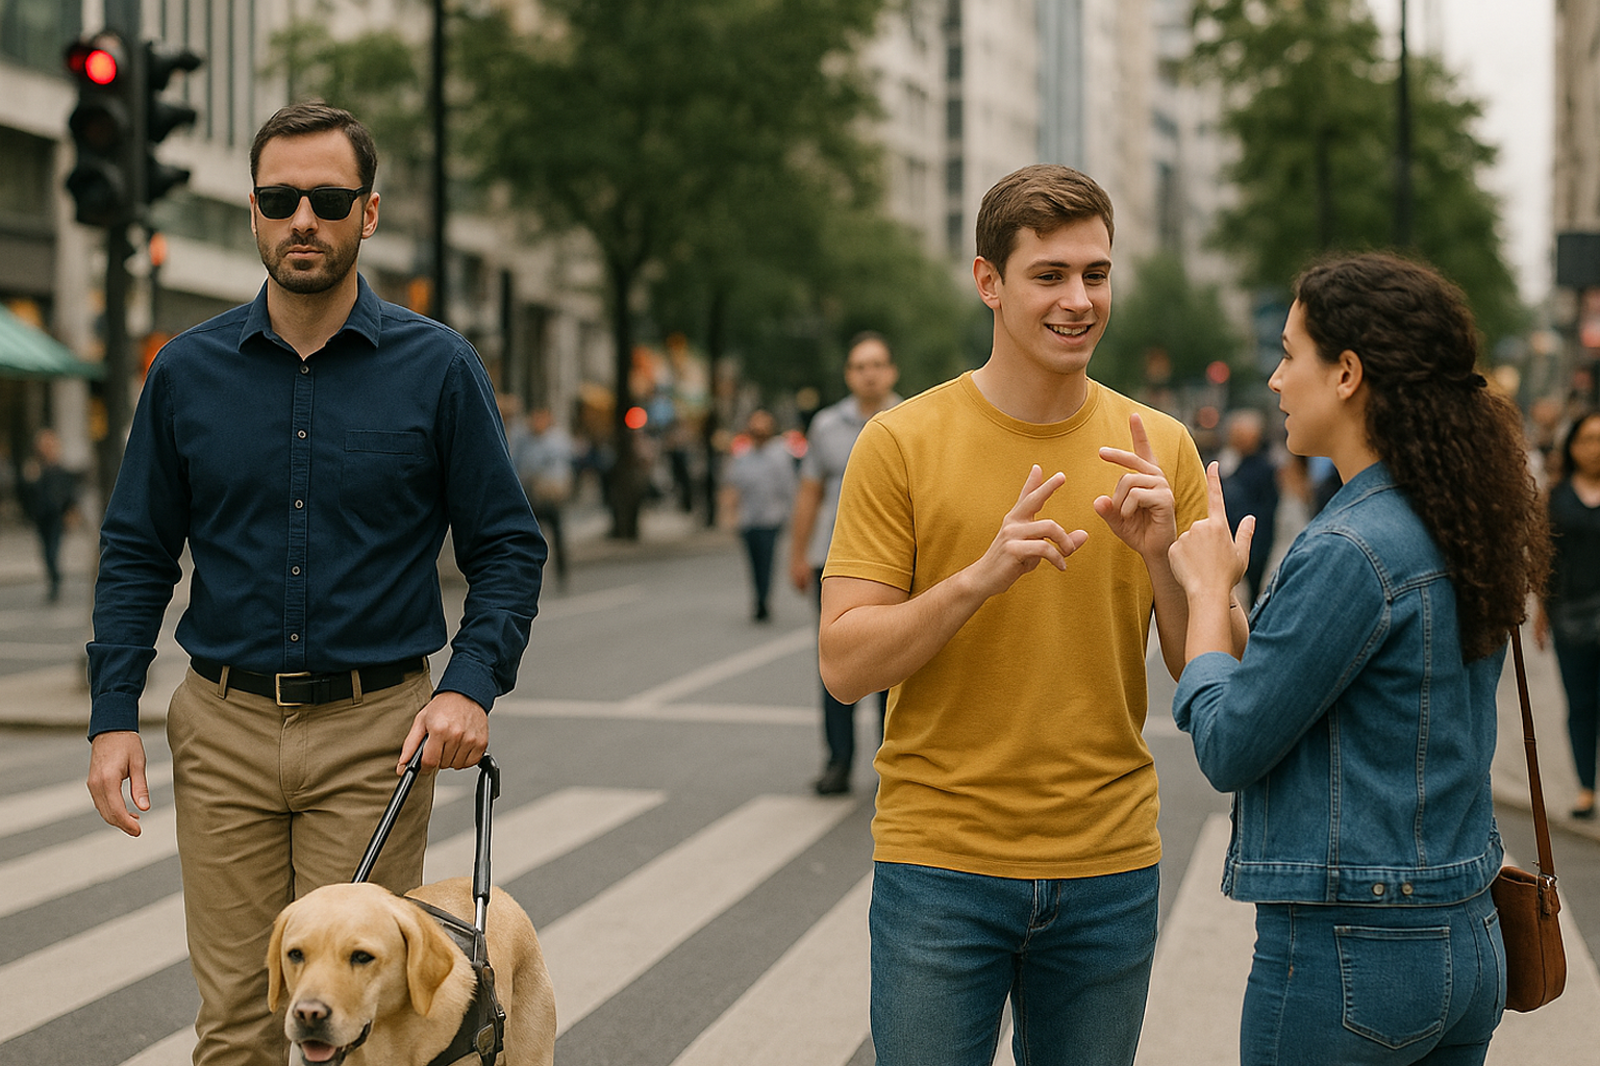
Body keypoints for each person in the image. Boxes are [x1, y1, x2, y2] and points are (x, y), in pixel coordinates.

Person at [84, 103, 546, 1066]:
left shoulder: (438, 368)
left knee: (354, 1026)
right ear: (253, 211)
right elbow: (136, 549)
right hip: (222, 729)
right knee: (241, 1027)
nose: (304, 218)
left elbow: (507, 545)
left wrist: (469, 684)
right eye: (280, 198)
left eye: (328, 199)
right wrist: (112, 710)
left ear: (366, 214)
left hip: (375, 737)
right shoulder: (187, 373)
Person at [819, 164, 1209, 1066]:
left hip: (1110, 864)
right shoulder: (901, 442)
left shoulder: (1162, 449)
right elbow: (844, 667)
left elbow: (1206, 672)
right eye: (1050, 275)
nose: (1080, 300)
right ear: (989, 282)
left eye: (1096, 274)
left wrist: (1160, 554)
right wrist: (973, 582)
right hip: (941, 865)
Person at [1167, 252, 1548, 1065]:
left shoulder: (1350, 544)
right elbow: (1296, 675)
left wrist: (1205, 597)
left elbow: (1231, 741)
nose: (1274, 379)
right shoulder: (1453, 515)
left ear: (1346, 372)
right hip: (1466, 932)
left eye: (1288, 352)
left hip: (1353, 956)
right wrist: (1184, 569)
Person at [788, 332, 901, 795]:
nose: (868, 373)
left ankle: (890, 764)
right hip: (833, 561)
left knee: (894, 666)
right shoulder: (825, 426)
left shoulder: (912, 419)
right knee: (838, 664)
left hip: (897, 564)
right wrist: (798, 554)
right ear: (848, 375)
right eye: (859, 366)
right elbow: (810, 493)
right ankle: (837, 762)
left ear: (891, 371)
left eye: (876, 364)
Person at [1535, 409, 1600, 819]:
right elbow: (1545, 556)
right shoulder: (1556, 495)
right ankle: (1585, 787)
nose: (1595, 449)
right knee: (1580, 703)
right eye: (1588, 439)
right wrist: (1542, 611)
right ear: (1572, 446)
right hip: (1570, 615)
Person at [721, 409, 796, 622]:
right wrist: (730, 515)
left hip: (771, 519)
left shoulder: (780, 454)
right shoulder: (742, 457)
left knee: (766, 560)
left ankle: (763, 600)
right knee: (753, 562)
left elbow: (789, 488)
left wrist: (792, 516)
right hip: (748, 519)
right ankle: (758, 596)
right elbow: (732, 487)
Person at [1218, 408, 1279, 606]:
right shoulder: (1227, 461)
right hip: (1229, 533)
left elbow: (1269, 507)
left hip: (1255, 537)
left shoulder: (1264, 467)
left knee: (1252, 587)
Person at [515, 406, 577, 589]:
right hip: (532, 495)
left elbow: (565, 466)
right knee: (531, 539)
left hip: (552, 496)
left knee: (557, 536)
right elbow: (519, 464)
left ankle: (562, 574)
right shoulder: (525, 441)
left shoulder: (557, 440)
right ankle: (529, 578)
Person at [18, 426, 79, 602]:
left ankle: (55, 582)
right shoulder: (35, 468)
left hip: (56, 517)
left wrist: (71, 513)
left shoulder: (60, 469)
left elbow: (69, 494)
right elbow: (27, 493)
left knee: (53, 551)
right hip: (41, 517)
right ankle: (53, 581)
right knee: (45, 552)